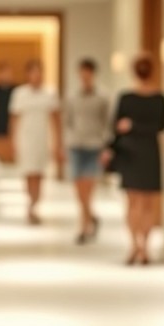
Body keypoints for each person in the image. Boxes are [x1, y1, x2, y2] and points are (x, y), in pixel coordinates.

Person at [102, 54, 164, 265]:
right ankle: (140, 247)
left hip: (139, 151)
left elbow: (120, 128)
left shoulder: (136, 98)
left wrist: (132, 127)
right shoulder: (157, 99)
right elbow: (158, 127)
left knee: (136, 202)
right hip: (140, 151)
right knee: (143, 203)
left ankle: (138, 246)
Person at [9, 59, 63, 225]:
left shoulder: (50, 93)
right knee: (28, 173)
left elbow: (56, 120)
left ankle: (35, 205)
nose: (36, 75)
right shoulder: (19, 93)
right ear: (27, 74)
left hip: (42, 138)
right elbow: (14, 119)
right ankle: (30, 203)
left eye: (39, 72)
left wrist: (57, 143)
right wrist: (13, 141)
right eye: (32, 72)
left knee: (39, 174)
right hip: (25, 138)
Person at [64, 58, 109, 244]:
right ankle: (91, 218)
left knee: (88, 190)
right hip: (76, 145)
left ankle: (83, 228)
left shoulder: (102, 97)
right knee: (79, 190)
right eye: (82, 72)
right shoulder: (72, 96)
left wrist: (106, 147)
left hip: (94, 146)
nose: (85, 75)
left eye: (88, 72)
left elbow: (107, 123)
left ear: (93, 74)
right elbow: (68, 121)